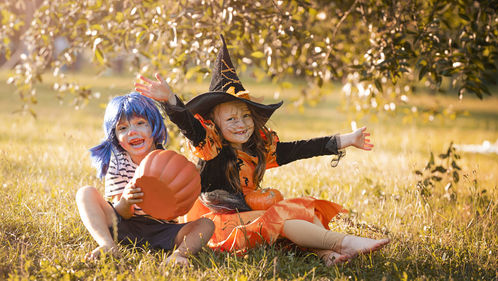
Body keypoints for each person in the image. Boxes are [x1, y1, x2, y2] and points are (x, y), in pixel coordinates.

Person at [135, 36, 389, 265]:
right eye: (231, 119)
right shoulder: (212, 150)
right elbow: (191, 127)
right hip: (220, 225)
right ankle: (342, 242)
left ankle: (326, 255)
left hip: (249, 215)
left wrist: (346, 139)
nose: (242, 124)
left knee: (302, 208)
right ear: (214, 124)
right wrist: (171, 101)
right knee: (280, 218)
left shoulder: (257, 149)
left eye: (246, 116)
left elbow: (301, 149)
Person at [75, 92, 214, 266]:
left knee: (206, 225)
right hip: (124, 226)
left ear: (154, 126)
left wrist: (188, 178)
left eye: (140, 123)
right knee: (85, 193)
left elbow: (178, 208)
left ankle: (179, 255)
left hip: (163, 230)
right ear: (116, 137)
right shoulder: (119, 163)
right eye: (122, 128)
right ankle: (107, 244)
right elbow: (121, 212)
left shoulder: (168, 160)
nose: (132, 132)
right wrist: (126, 202)